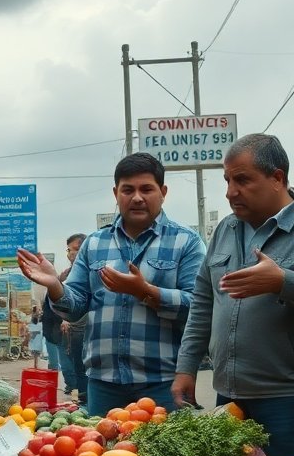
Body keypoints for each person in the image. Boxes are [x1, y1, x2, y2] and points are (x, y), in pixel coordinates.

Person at [173, 134, 294, 456]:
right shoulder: (224, 230)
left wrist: (283, 282)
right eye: (227, 180)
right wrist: (186, 367)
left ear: (277, 178)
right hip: (231, 397)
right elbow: (203, 303)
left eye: (242, 180)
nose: (230, 191)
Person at [18, 153, 205, 416]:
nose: (137, 197)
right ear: (116, 193)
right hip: (103, 382)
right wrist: (55, 286)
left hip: (162, 380)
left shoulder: (186, 242)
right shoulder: (94, 244)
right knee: (100, 455)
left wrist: (145, 292)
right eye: (128, 190)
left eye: (146, 189)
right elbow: (76, 305)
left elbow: (198, 307)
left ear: (163, 192)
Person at [59, 232, 89, 406]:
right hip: (73, 331)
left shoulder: (92, 271)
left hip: (88, 329)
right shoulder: (65, 274)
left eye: (76, 249)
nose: (71, 254)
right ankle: (81, 400)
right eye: (69, 250)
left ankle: (86, 400)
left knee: (88, 368)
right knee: (76, 366)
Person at [38, 268, 70, 389]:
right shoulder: (49, 293)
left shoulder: (62, 290)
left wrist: (65, 320)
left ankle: (67, 385)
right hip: (51, 331)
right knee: (55, 361)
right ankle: (54, 385)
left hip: (59, 330)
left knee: (62, 360)